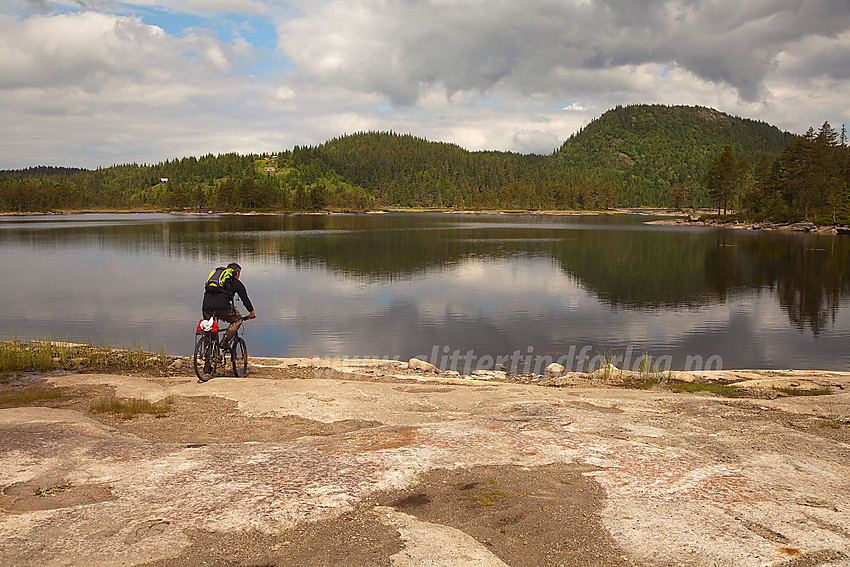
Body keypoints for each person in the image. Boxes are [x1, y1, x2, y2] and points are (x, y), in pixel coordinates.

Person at [202, 262, 256, 351]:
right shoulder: (236, 283)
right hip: (223, 306)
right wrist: (252, 313)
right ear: (237, 274)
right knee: (238, 319)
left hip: (206, 306)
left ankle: (207, 358)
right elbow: (245, 300)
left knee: (209, 329)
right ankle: (225, 340)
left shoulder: (217, 281)